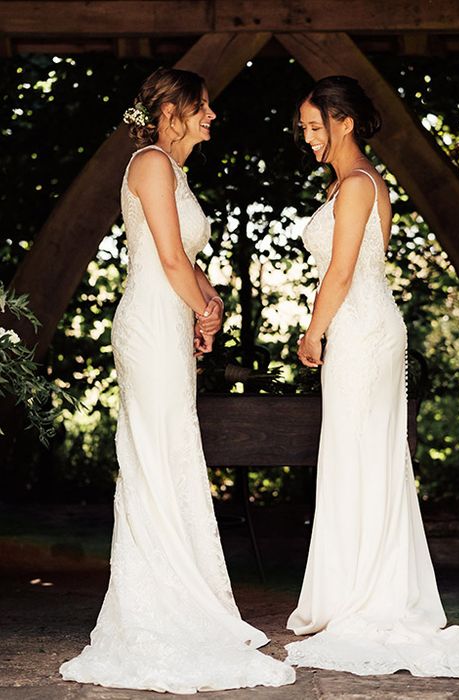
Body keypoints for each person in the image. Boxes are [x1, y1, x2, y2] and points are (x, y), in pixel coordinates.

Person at [286, 75, 459, 676]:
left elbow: (344, 272)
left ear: (343, 122)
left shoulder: (357, 185)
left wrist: (313, 330)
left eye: (312, 125)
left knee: (363, 452)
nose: (305, 136)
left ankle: (368, 593)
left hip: (359, 328)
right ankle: (350, 587)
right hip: (361, 328)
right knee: (355, 453)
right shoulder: (346, 184)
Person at [59, 68, 295, 692]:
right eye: (204, 108)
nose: (212, 117)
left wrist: (207, 301)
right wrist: (202, 306)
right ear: (173, 111)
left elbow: (184, 258)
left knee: (173, 450)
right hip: (149, 318)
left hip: (170, 314)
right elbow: (165, 258)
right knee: (156, 454)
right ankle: (158, 604)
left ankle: (180, 589)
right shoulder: (151, 163)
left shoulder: (173, 169)